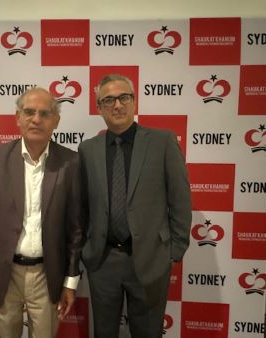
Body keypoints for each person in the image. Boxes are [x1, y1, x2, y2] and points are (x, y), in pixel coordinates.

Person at [79, 74, 192, 338]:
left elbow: (180, 200)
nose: (117, 105)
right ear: (99, 108)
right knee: (104, 333)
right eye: (108, 100)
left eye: (124, 97)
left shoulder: (163, 142)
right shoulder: (87, 149)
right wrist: (86, 248)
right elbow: (82, 206)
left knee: (148, 332)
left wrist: (174, 251)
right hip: (103, 260)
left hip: (151, 259)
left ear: (134, 101)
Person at [0, 87, 82, 338]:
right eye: (29, 112)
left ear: (56, 121)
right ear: (18, 117)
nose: (36, 119)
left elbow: (75, 228)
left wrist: (70, 282)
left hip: (47, 275)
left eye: (45, 113)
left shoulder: (71, 162)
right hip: (3, 275)